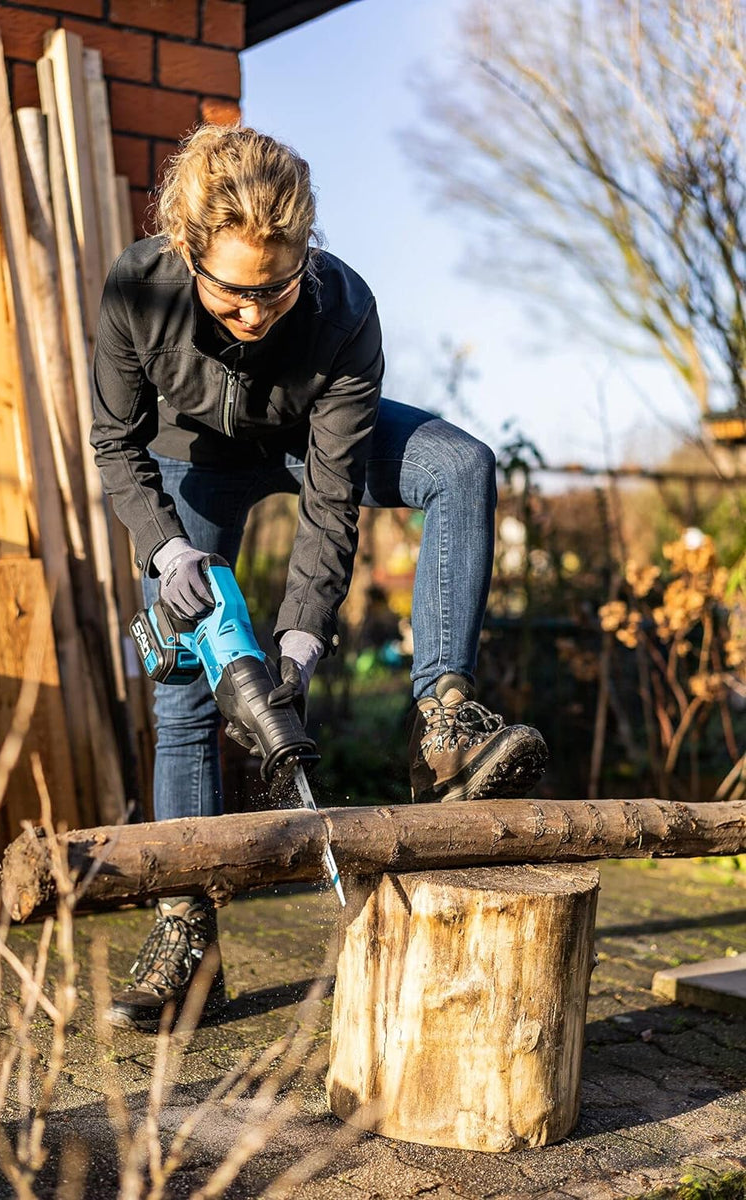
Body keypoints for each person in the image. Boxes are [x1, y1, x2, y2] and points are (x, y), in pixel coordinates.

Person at [90, 125, 548, 1030]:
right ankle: (187, 926)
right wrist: (167, 549)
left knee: (461, 466)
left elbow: (330, 501)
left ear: (307, 253)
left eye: (277, 287)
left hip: (304, 444)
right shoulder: (136, 290)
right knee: (184, 686)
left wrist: (299, 640)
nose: (257, 313)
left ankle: (445, 720)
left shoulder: (341, 310)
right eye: (233, 292)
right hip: (189, 465)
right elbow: (115, 442)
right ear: (188, 251)